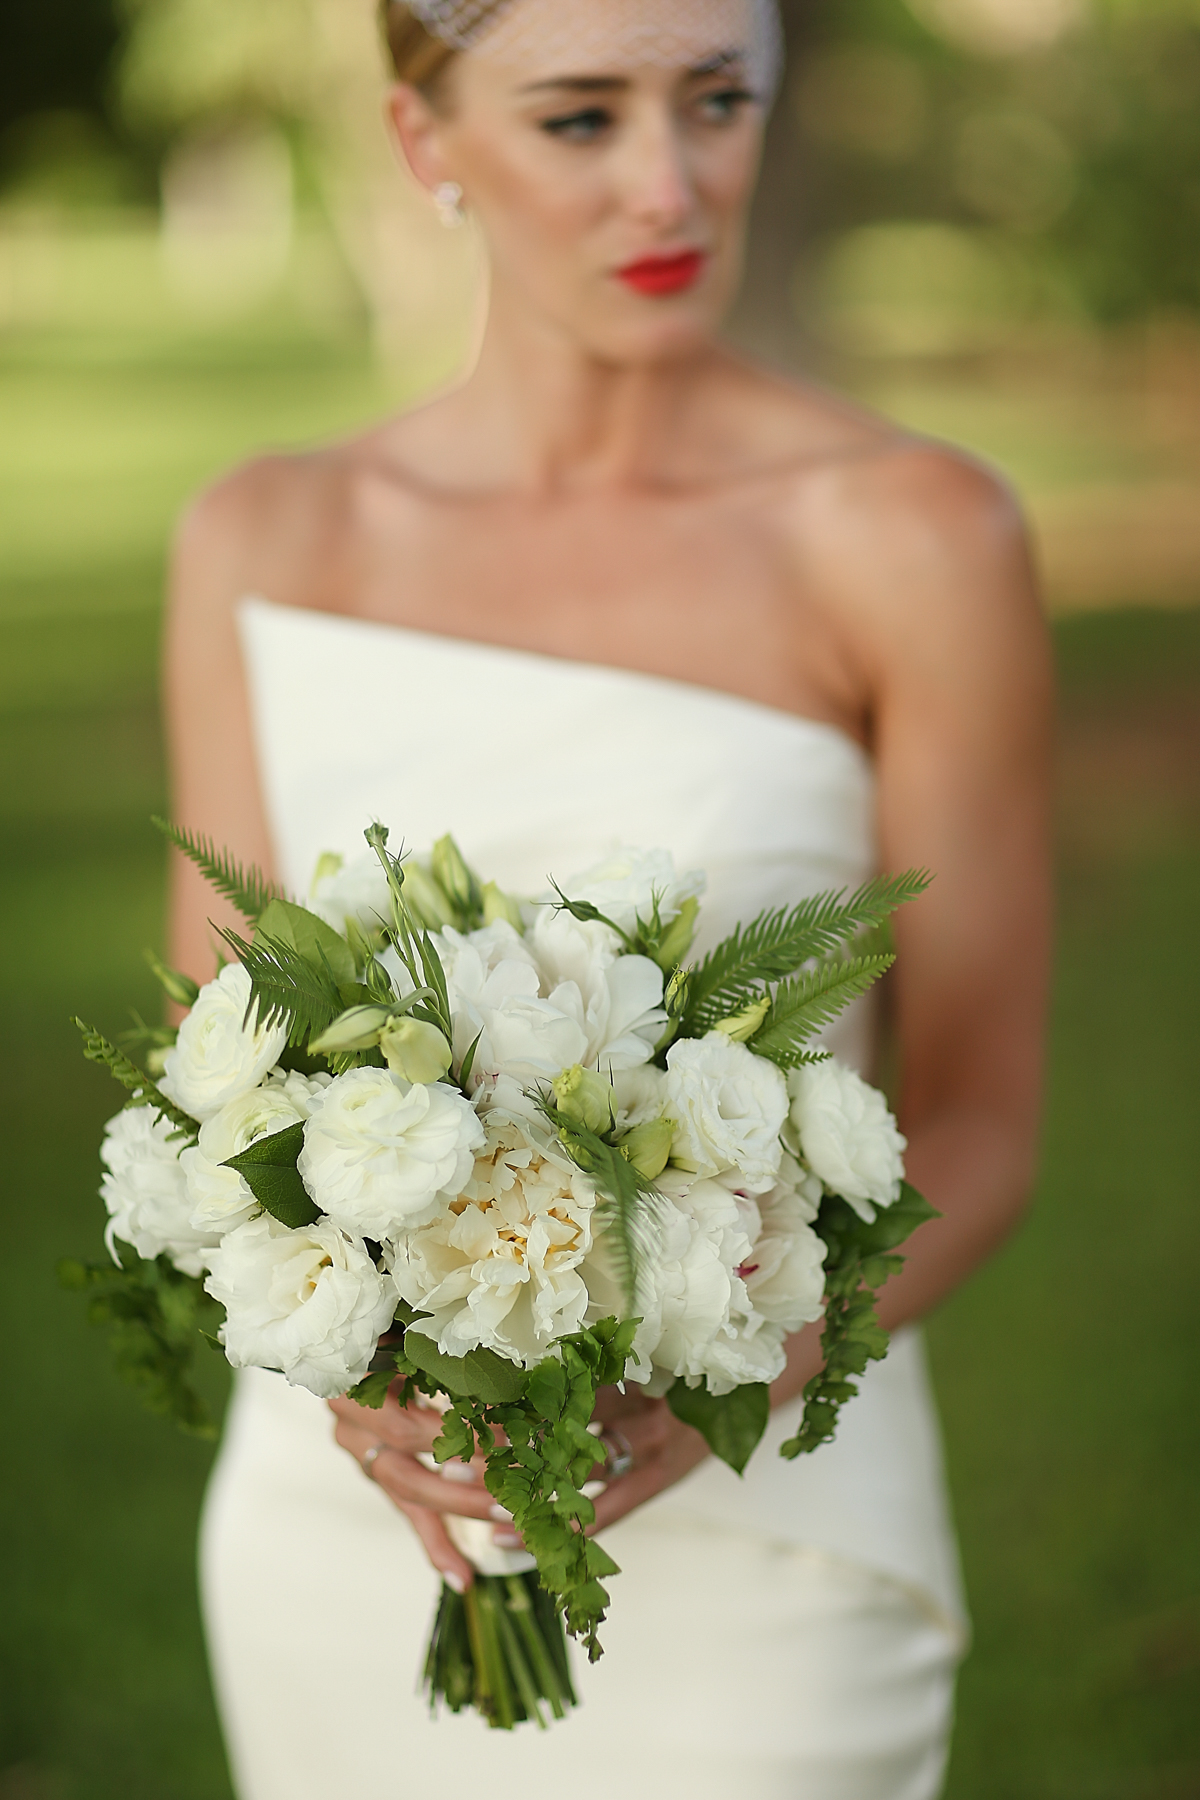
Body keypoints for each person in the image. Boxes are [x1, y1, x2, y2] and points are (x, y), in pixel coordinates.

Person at [166, 0, 1051, 1794]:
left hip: (768, 1527)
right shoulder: (267, 539)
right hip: (349, 1527)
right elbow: (215, 1081)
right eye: (581, 119)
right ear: (425, 144)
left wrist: (751, 1368)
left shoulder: (914, 538)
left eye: (715, 101)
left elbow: (982, 1115)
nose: (672, 185)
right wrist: (360, 1382)